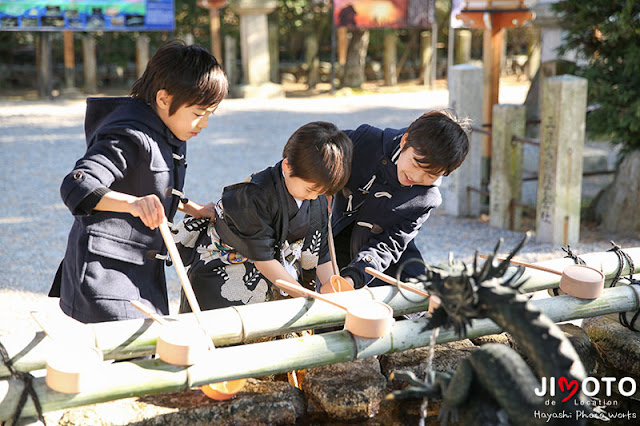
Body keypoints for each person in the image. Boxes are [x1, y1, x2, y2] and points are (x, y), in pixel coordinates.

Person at [51, 40, 228, 323]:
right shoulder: (127, 134)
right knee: (136, 356)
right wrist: (133, 204)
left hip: (142, 271)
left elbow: (151, 184)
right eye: (198, 114)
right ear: (164, 99)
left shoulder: (167, 126)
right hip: (106, 274)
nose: (204, 124)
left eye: (209, 114)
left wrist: (190, 207)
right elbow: (77, 185)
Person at [175, 121, 352, 312]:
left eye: (321, 192)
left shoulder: (314, 198)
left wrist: (334, 288)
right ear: (287, 166)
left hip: (282, 281)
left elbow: (321, 252)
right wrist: (308, 298)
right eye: (310, 189)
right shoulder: (254, 195)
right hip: (226, 278)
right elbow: (263, 259)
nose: (314, 196)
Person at [330, 109, 470, 291]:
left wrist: (354, 277)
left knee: (417, 294)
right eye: (415, 164)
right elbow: (316, 155)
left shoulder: (426, 197)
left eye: (431, 174)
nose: (417, 177)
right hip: (335, 233)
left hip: (375, 250)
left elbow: (389, 244)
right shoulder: (365, 141)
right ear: (405, 141)